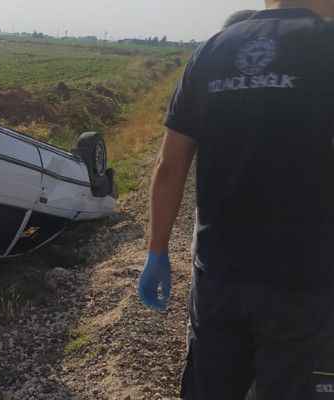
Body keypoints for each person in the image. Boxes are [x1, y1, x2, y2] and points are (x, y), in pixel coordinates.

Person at [137, 1, 334, 399]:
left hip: (219, 275)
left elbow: (169, 167)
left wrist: (157, 251)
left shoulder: (211, 50)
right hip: (303, 281)